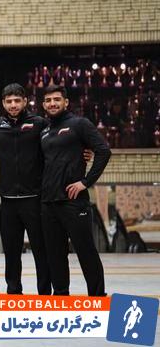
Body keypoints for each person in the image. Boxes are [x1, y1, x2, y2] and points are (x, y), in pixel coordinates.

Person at [40, 84, 111, 296]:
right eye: (48, 100)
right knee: (55, 256)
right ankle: (61, 298)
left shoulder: (79, 124)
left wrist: (85, 182)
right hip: (49, 203)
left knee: (86, 252)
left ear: (66, 102)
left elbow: (103, 151)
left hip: (74, 202)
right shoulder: (44, 132)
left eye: (56, 99)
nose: (52, 103)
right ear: (43, 104)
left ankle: (97, 298)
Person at [0, 83, 52, 295]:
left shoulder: (39, 123)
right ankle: (14, 293)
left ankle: (45, 294)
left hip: (34, 199)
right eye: (9, 101)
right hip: (8, 200)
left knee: (41, 251)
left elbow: (56, 145)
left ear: (25, 101)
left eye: (17, 100)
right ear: (3, 103)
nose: (13, 105)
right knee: (11, 252)